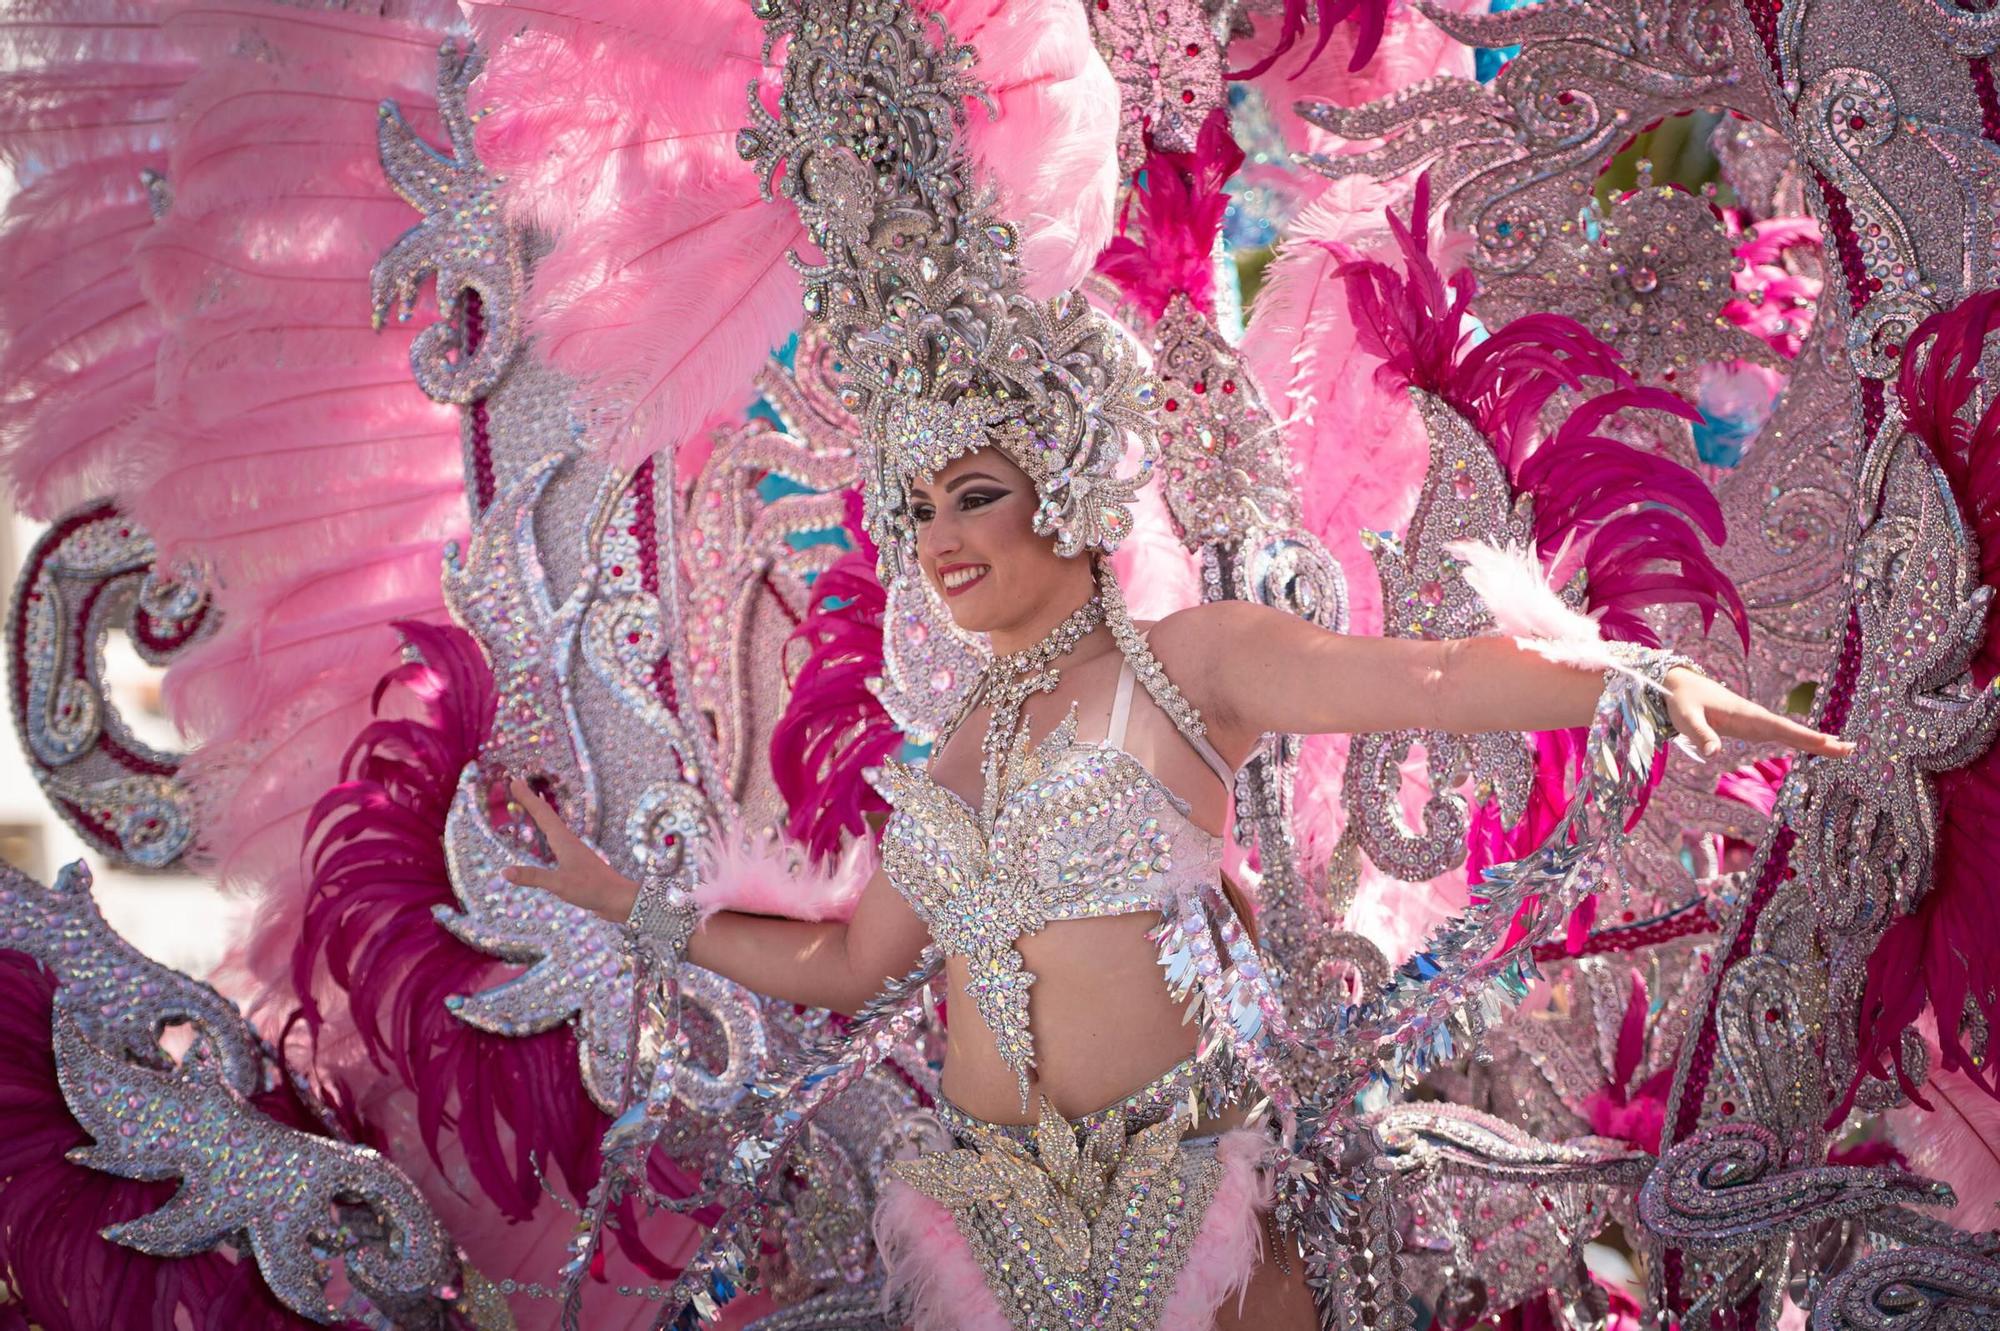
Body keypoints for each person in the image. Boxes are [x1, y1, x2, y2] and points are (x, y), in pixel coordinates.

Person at [501, 435, 1850, 1331]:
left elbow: (1428, 679)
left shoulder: (1187, 662)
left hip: (1182, 1203)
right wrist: (630, 906)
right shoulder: (964, 741)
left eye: (974, 493)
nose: (938, 537)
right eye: (916, 510)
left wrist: (1636, 679)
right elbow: (852, 966)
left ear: (1071, 490)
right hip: (998, 1231)